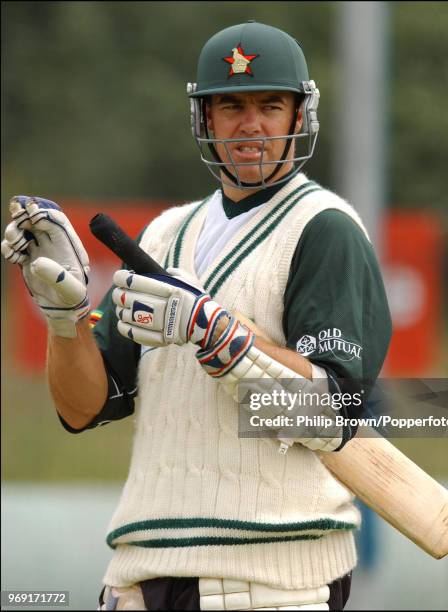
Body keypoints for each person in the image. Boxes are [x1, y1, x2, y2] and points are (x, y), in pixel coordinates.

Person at [2, 21, 392, 611]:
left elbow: (332, 411)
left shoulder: (324, 228)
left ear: (298, 115)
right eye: (230, 104)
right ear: (205, 118)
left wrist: (215, 333)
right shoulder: (165, 233)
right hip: (142, 566)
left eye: (270, 104)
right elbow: (83, 405)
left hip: (271, 575)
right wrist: (64, 320)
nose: (250, 124)